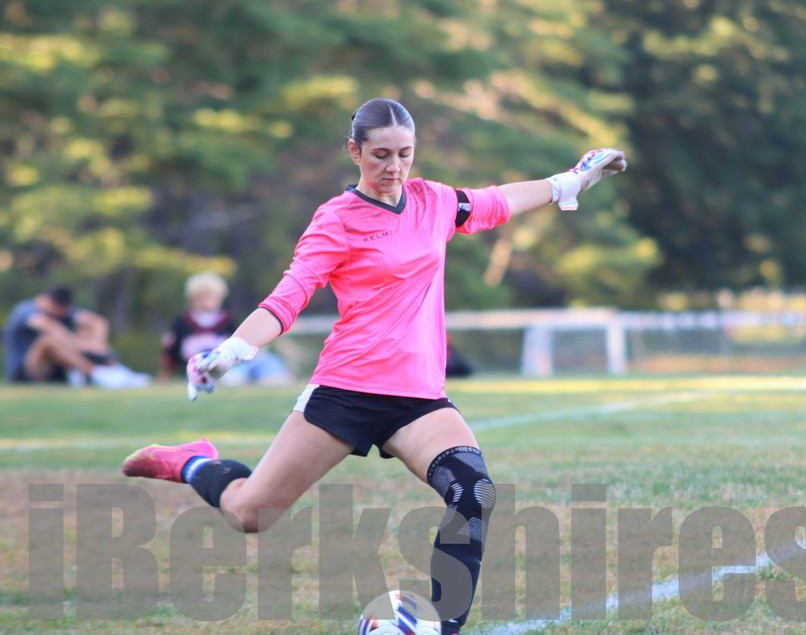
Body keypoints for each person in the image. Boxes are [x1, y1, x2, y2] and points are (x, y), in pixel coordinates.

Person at [122, 97, 626, 634]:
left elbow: (497, 200)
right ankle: (193, 462)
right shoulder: (337, 219)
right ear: (355, 152)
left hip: (419, 398)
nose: (394, 166)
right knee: (250, 515)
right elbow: (289, 296)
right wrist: (230, 351)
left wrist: (572, 180)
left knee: (474, 493)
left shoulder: (433, 201)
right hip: (347, 390)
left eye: (404, 154)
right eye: (381, 154)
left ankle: (442, 626)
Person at [3, 285, 151, 389]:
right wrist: (80, 345)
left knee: (84, 330)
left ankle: (116, 371)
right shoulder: (26, 309)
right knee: (48, 340)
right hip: (28, 370)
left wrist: (97, 344)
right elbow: (49, 326)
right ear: (49, 302)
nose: (63, 315)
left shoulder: (64, 312)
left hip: (58, 367)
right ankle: (97, 374)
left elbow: (98, 322)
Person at [159, 272, 293, 386]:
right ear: (192, 299)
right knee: (232, 379)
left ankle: (277, 379)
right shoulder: (183, 322)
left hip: (231, 370)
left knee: (268, 361)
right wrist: (163, 379)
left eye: (210, 297)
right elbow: (171, 355)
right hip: (200, 374)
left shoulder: (228, 320)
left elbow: (242, 346)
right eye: (200, 297)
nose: (206, 301)